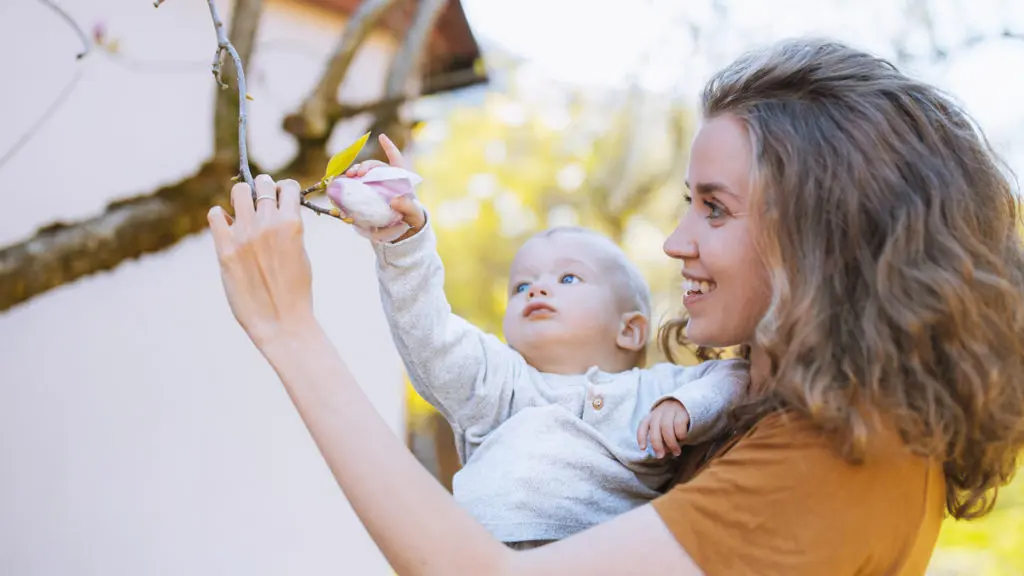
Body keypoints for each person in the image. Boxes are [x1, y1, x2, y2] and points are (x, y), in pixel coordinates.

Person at [206, 37, 1024, 574]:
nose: (674, 242)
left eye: (714, 208)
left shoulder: (843, 453)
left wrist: (290, 330)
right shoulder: (769, 416)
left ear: (823, 235)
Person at [329, 163, 748, 548]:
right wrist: (406, 246)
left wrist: (688, 406)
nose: (538, 289)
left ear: (629, 330)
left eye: (568, 277)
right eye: (522, 286)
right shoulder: (499, 385)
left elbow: (738, 375)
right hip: (480, 557)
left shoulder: (657, 389)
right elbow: (430, 334)